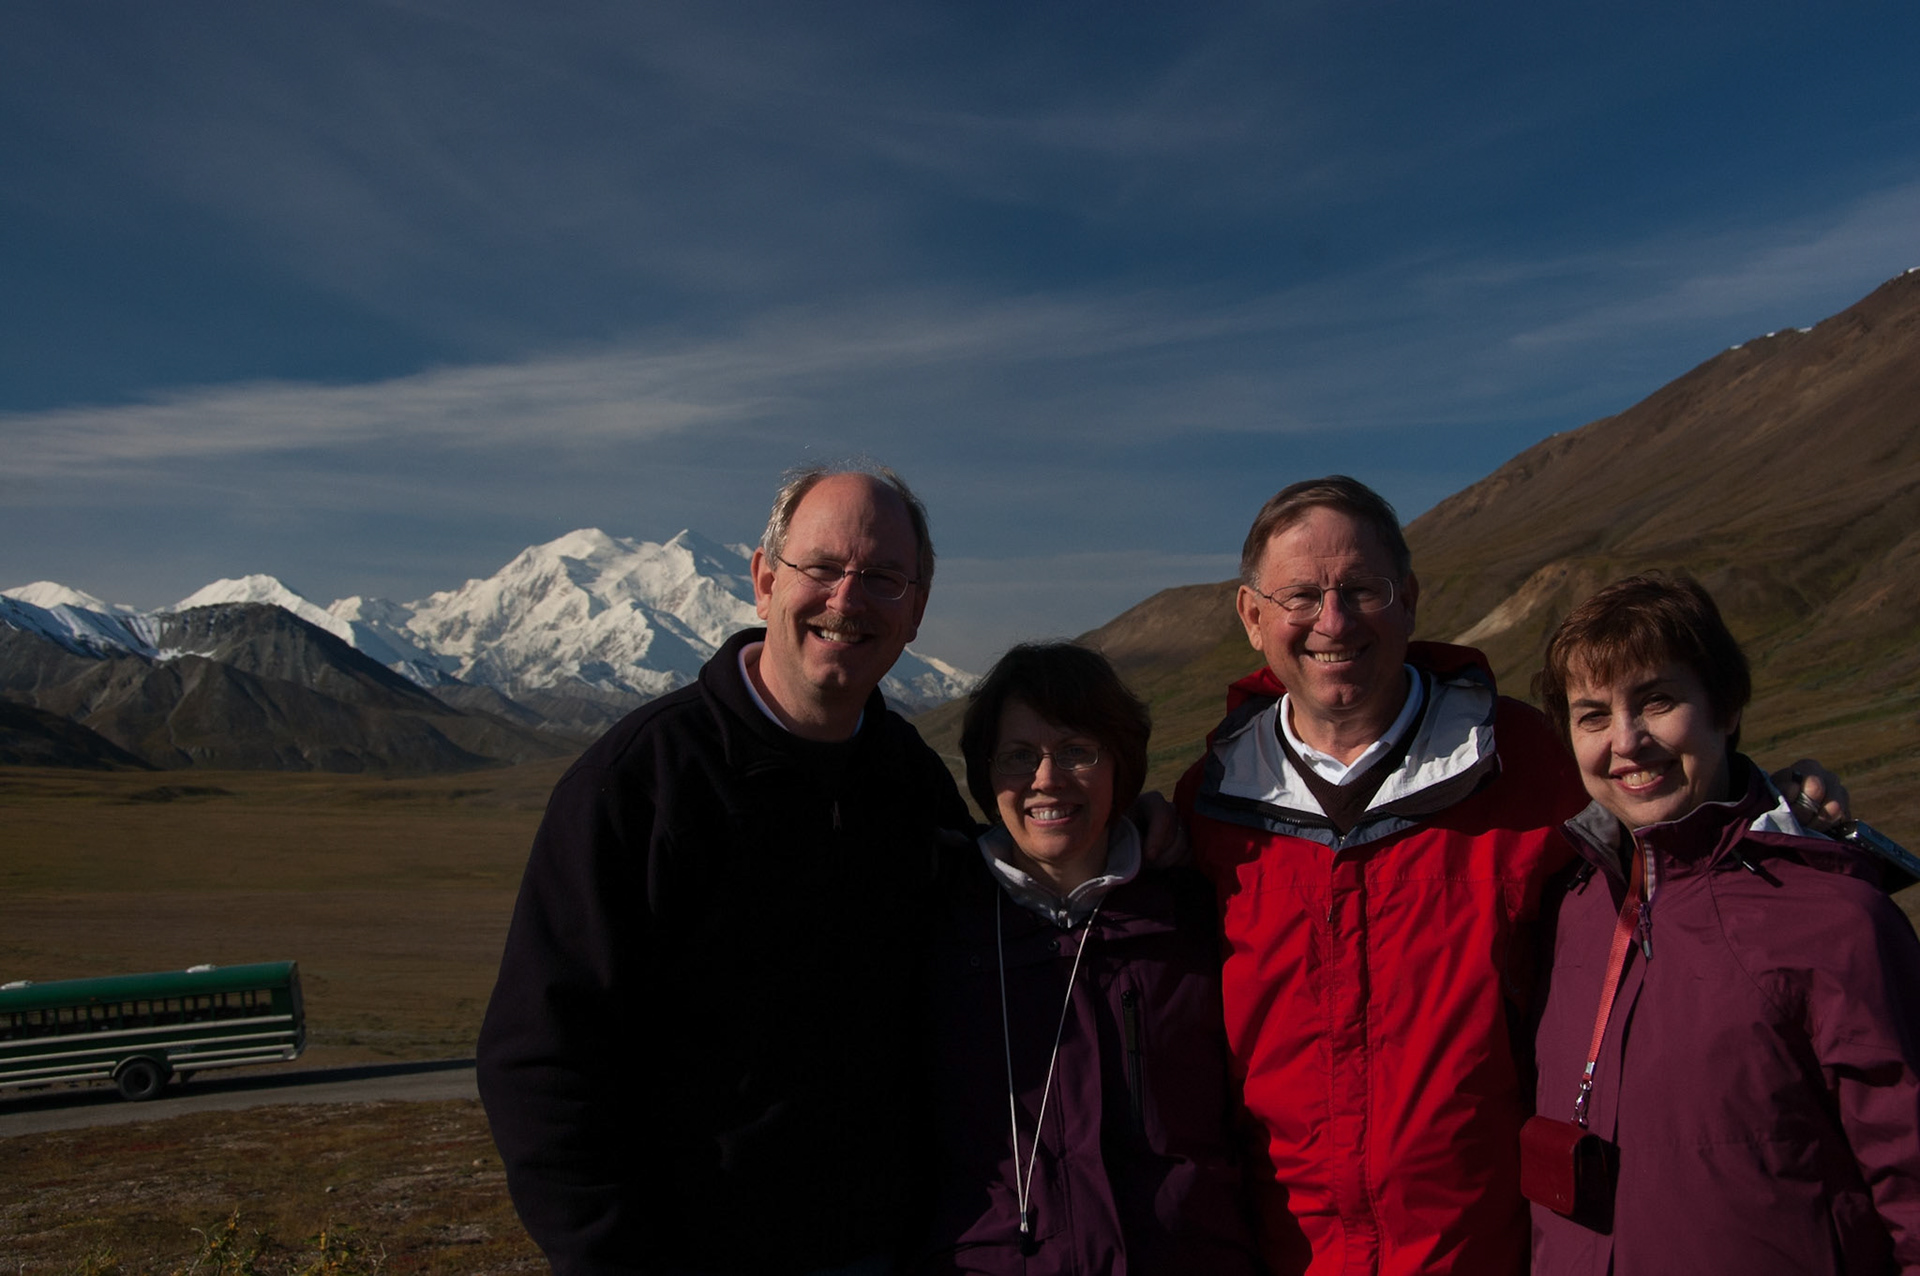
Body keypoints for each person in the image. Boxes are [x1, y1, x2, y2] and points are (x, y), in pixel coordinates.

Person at [1174, 475, 1850, 1276]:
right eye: (1299, 597)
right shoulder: (1209, 808)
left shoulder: (1528, 762)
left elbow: (1667, 828)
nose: (1332, 621)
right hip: (1286, 1255)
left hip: (1495, 1250)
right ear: (1252, 618)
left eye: (1362, 588)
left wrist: (1763, 796)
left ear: (1410, 599)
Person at [477, 465, 975, 1276]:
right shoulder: (642, 781)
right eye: (822, 567)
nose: (847, 600)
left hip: (894, 1248)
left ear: (915, 611)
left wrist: (1129, 833)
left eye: (884, 578)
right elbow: (540, 1058)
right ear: (764, 579)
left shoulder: (910, 781)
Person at [1527, 574, 1920, 1275]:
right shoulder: (1573, 907)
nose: (1627, 741)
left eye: (1657, 701)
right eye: (1592, 716)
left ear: (1726, 708)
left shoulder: (1837, 917)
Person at [915, 643, 1261, 1275]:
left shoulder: (1197, 916)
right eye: (1019, 756)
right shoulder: (936, 925)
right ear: (987, 777)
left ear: (1120, 767)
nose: (1046, 778)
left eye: (1077, 750)